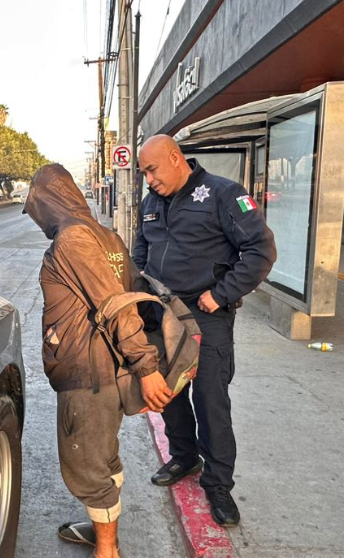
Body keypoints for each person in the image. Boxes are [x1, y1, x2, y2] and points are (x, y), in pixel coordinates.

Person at [23, 163, 172, 558]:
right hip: (107, 370)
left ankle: (108, 557)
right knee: (104, 456)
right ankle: (99, 528)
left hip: (87, 374)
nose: (37, 218)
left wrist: (146, 368)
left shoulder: (72, 237)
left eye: (36, 208)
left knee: (87, 466)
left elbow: (115, 304)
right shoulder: (105, 235)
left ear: (48, 201)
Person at [133, 134, 277, 527]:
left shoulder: (223, 194)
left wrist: (222, 293)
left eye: (152, 169)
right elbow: (140, 251)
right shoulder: (151, 203)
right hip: (162, 317)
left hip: (207, 316)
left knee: (210, 400)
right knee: (170, 393)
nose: (148, 179)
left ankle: (218, 486)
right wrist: (140, 293)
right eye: (143, 172)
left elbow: (261, 251)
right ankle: (183, 456)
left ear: (176, 158)